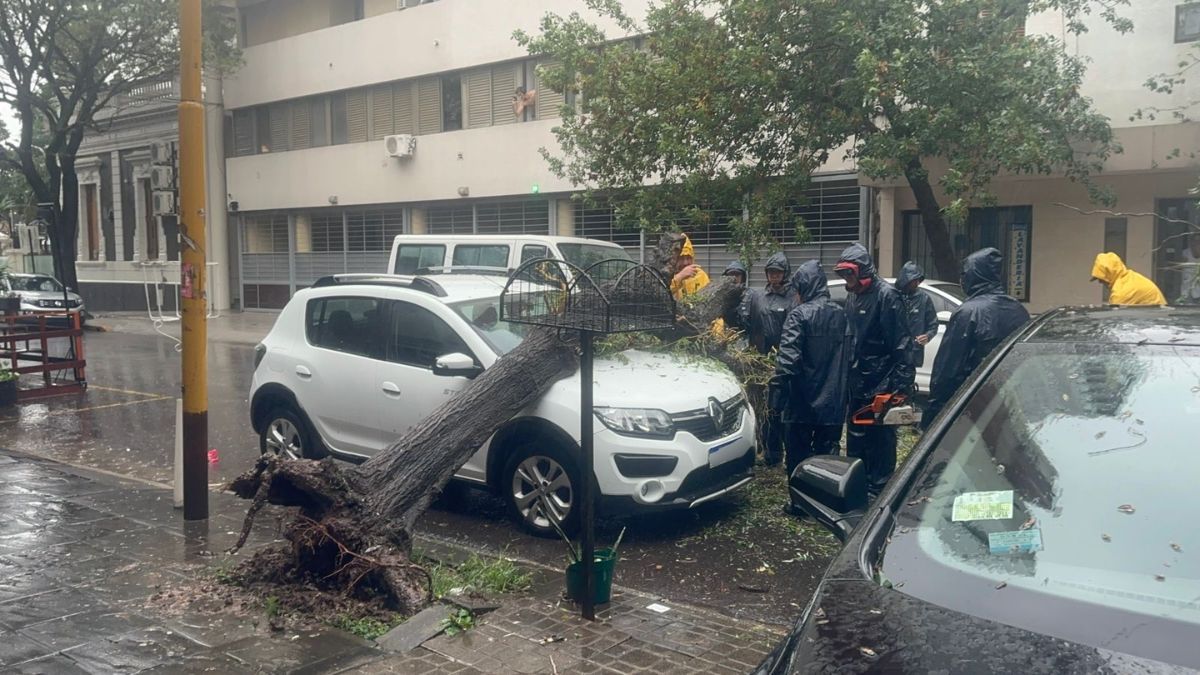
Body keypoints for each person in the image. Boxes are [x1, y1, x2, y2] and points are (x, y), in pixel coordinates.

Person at [833, 243, 913, 495]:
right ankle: (858, 484)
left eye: (850, 273)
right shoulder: (853, 296)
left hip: (883, 381)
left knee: (880, 438)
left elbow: (902, 344)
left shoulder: (887, 296)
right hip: (858, 381)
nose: (847, 279)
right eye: (843, 274)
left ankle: (880, 489)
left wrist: (900, 386)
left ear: (862, 270)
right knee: (856, 435)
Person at [926, 248, 1030, 426]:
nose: (962, 279)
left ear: (975, 275)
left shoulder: (969, 312)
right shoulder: (1017, 309)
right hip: (1012, 400)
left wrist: (935, 410)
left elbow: (948, 369)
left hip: (974, 403)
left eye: (965, 274)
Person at [771, 261, 849, 480]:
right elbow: (851, 358)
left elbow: (787, 361)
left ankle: (799, 503)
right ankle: (825, 501)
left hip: (801, 401)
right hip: (833, 402)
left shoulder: (798, 315)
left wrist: (776, 398)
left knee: (798, 455)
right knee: (828, 456)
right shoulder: (842, 315)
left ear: (804, 288)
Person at [740, 252, 796, 465]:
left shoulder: (792, 297)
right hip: (759, 360)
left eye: (778, 272)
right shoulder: (758, 296)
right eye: (771, 272)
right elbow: (747, 322)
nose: (774, 276)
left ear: (785, 273)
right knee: (763, 409)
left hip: (782, 361)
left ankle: (786, 453)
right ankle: (769, 453)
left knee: (781, 410)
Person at [896, 261, 938, 367]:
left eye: (918, 280)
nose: (917, 283)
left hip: (914, 352)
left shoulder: (924, 299)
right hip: (895, 351)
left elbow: (933, 324)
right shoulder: (893, 296)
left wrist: (927, 336)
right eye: (914, 280)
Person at [1090, 252, 1166, 306]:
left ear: (1110, 274)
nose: (1100, 282)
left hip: (1152, 322)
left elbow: (1115, 321)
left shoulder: (1121, 293)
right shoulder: (1130, 277)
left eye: (1101, 278)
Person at [1179, 232, 1200, 305]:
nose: (1196, 243)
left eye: (1198, 241)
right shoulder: (1184, 254)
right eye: (1194, 241)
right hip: (1185, 292)